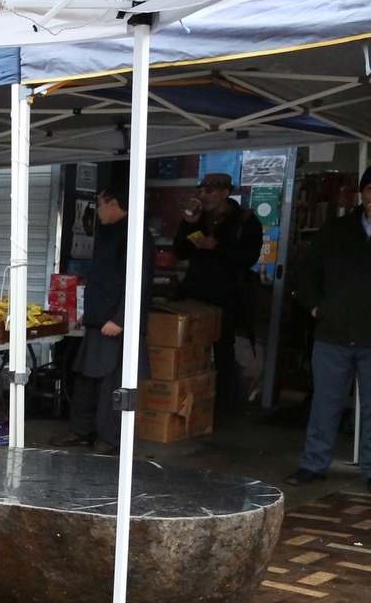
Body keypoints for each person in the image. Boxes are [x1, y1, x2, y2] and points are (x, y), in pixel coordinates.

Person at [49, 184, 152, 455]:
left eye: (100, 205)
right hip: (99, 319)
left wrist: (121, 318)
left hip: (117, 324)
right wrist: (90, 313)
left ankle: (109, 438)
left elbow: (138, 282)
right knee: (86, 379)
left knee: (111, 384)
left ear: (114, 204)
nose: (98, 211)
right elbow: (106, 278)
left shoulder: (135, 234)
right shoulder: (111, 232)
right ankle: (81, 430)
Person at [286, 166, 371, 487]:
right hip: (333, 334)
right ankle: (313, 464)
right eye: (370, 190)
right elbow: (307, 269)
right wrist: (314, 305)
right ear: (361, 194)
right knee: (325, 405)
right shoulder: (337, 230)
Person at [173, 172, 263, 406]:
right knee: (190, 348)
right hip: (194, 294)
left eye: (209, 191)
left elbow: (249, 258)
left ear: (224, 193)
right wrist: (188, 223)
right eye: (201, 190)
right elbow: (180, 251)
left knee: (223, 349)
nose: (203, 195)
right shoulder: (199, 216)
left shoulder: (245, 220)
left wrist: (218, 247)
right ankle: (188, 400)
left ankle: (223, 404)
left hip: (226, 296)